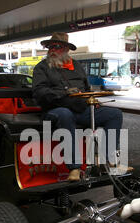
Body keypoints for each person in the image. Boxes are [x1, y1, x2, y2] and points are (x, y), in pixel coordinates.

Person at [32, 32, 131, 181]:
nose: (52, 50)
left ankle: (108, 160)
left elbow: (87, 89)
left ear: (66, 49)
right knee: (65, 114)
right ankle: (74, 168)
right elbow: (40, 92)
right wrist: (65, 97)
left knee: (114, 114)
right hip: (54, 110)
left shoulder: (77, 66)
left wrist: (92, 99)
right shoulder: (41, 68)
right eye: (50, 47)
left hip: (80, 110)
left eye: (57, 46)